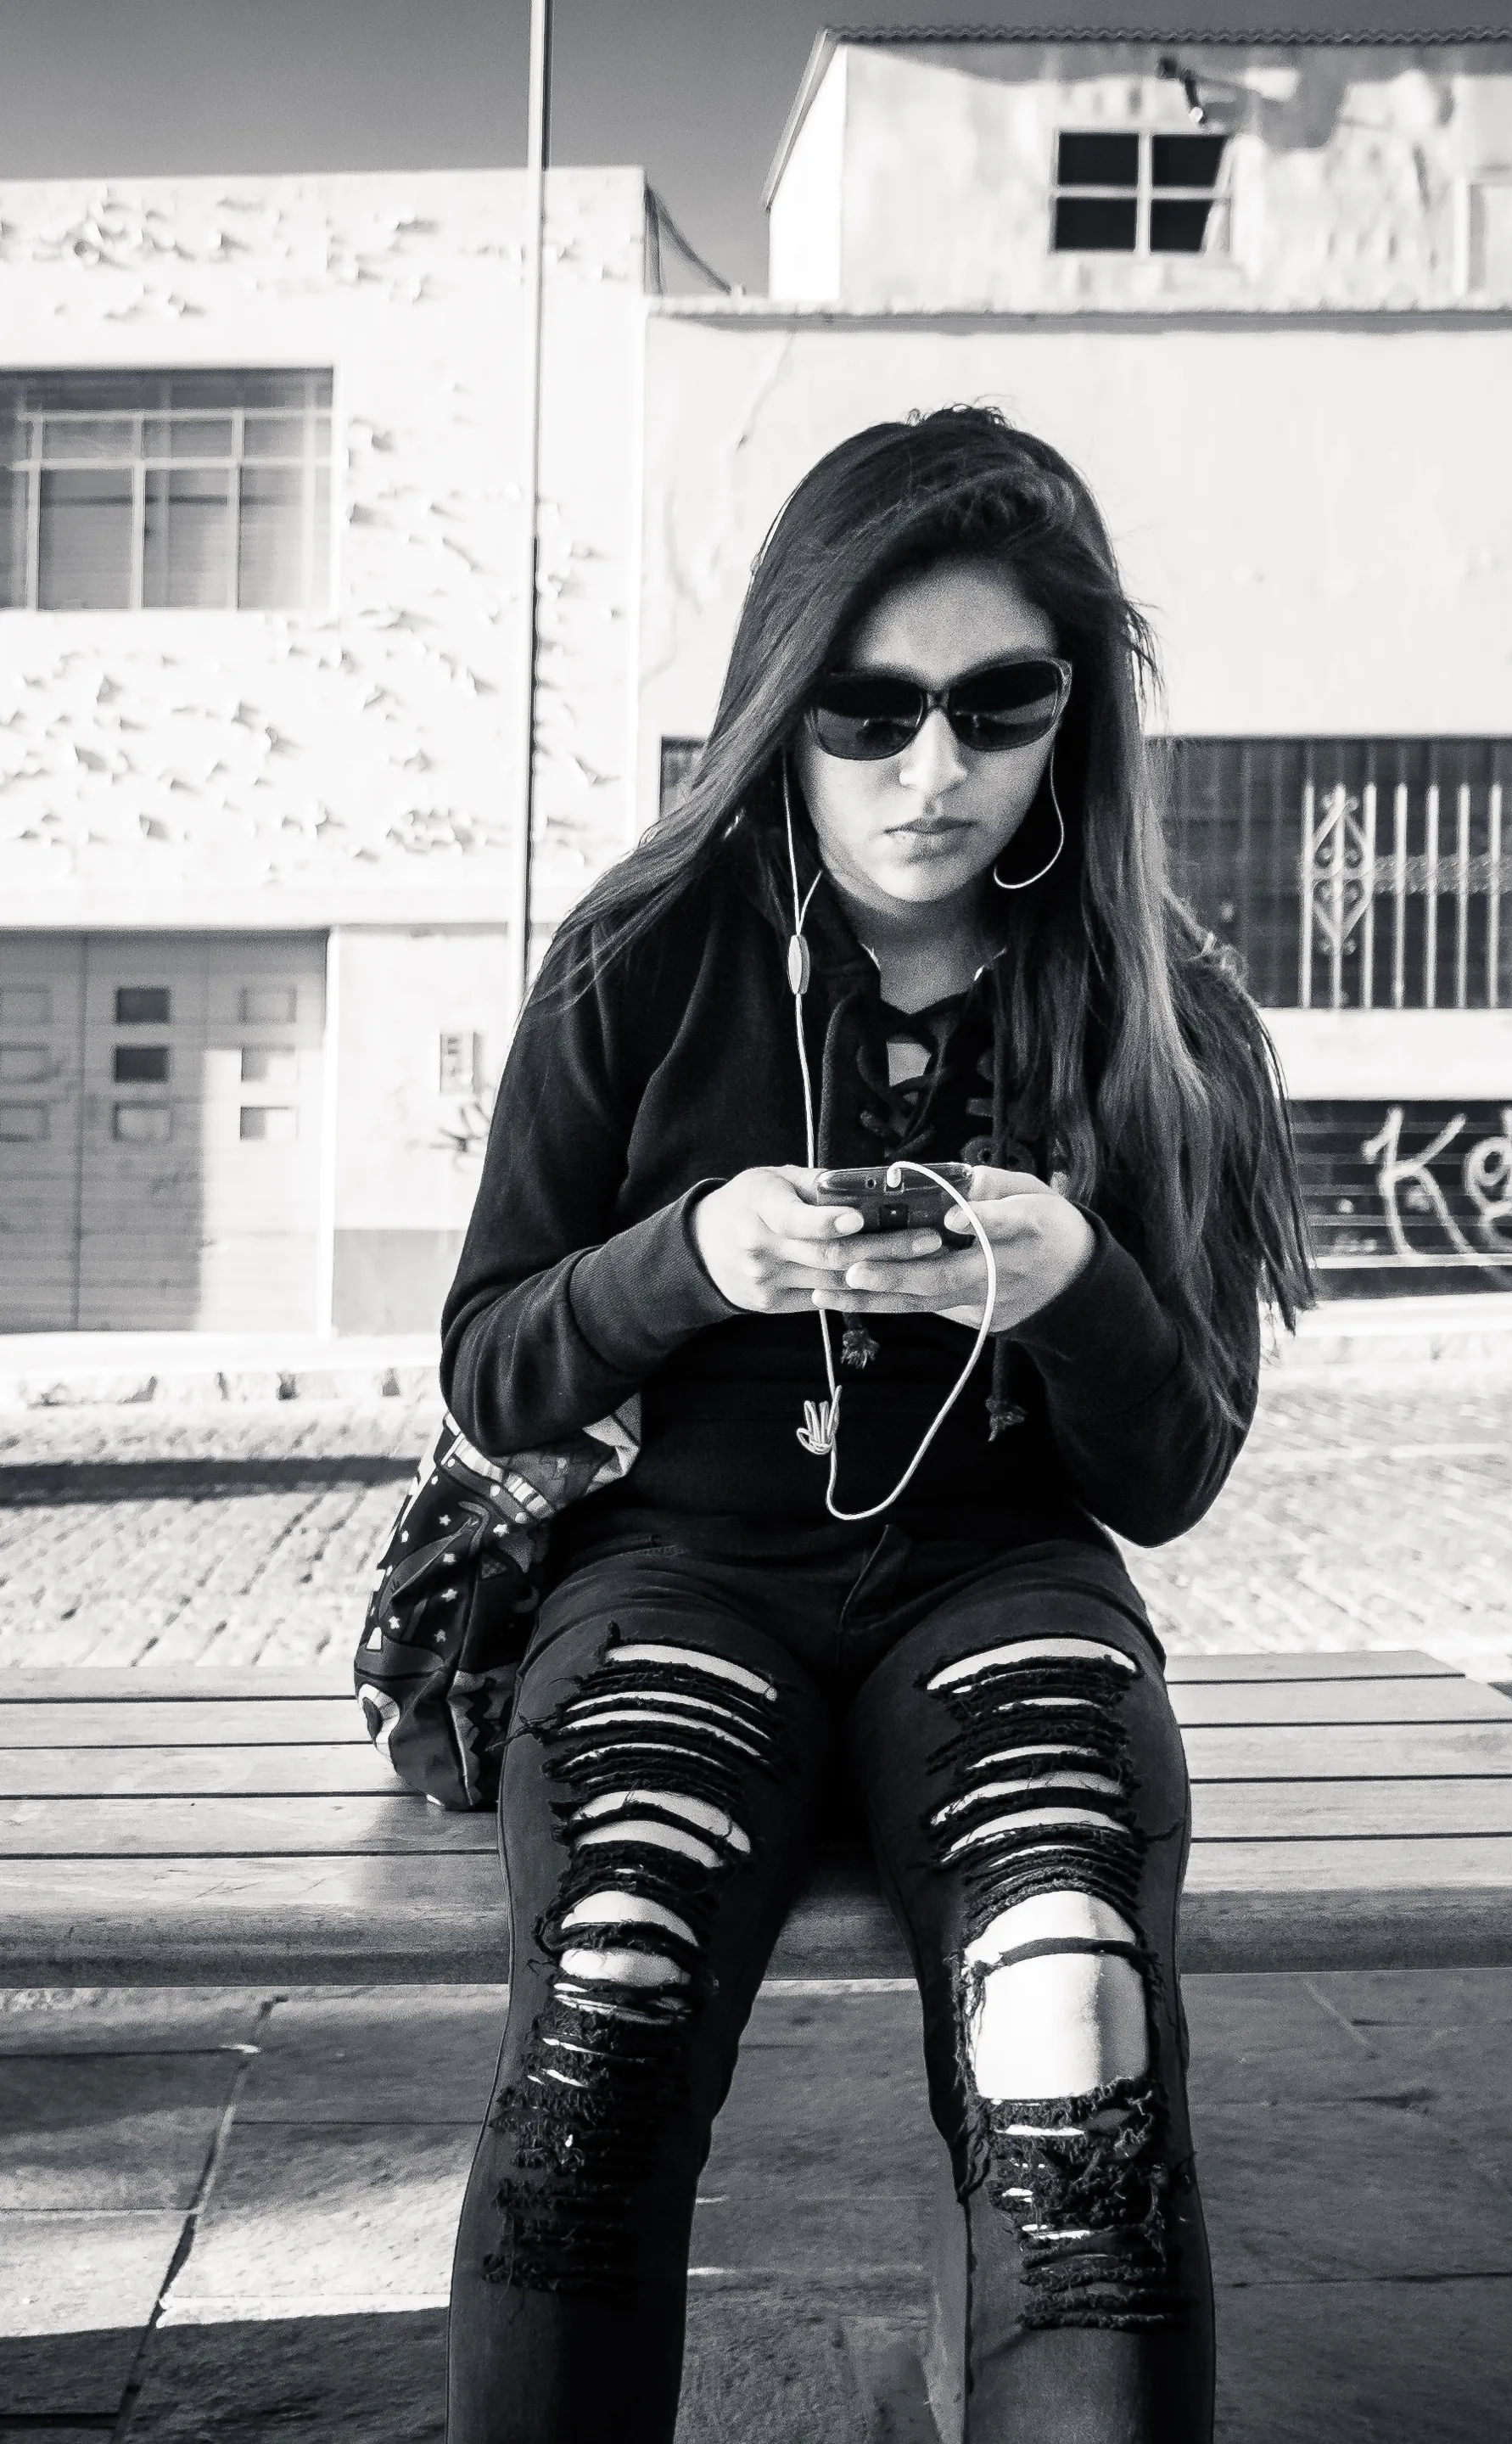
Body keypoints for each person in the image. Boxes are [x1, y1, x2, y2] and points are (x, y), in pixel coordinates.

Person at [443, 406, 1311, 2443]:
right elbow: (493, 1360)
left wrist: (1074, 1283)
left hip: (1002, 1583)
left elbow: (1173, 1474)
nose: (935, 770)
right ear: (782, 700)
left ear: (1070, 718)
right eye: (871, 709)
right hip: (680, 1579)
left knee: (1069, 2012)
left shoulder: (1157, 1008)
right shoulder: (645, 954)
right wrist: (694, 1260)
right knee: (609, 1998)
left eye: (1000, 703)